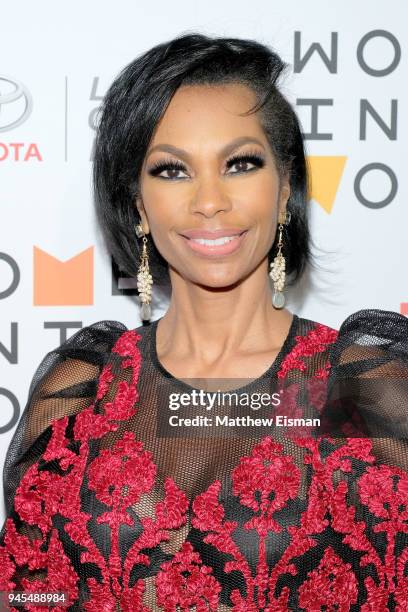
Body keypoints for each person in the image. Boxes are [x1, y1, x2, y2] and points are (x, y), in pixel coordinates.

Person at [1, 32, 407, 612]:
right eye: (172, 170)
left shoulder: (359, 392)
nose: (209, 200)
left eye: (240, 163)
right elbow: (26, 590)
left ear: (286, 184)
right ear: (138, 202)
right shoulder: (81, 391)